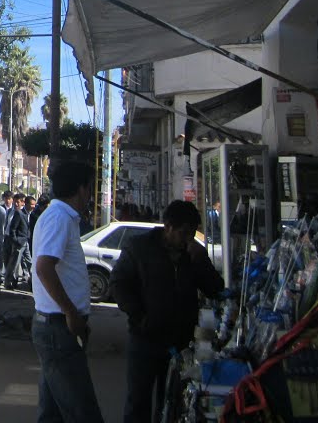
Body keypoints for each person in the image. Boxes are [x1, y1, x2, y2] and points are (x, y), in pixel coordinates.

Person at [110, 200, 225, 423]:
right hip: (145, 338)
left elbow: (214, 289)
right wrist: (140, 317)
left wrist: (202, 260)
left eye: (192, 233)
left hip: (180, 343)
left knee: (173, 400)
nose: (187, 238)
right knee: (138, 400)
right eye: (184, 232)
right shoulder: (140, 248)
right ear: (168, 227)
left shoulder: (191, 256)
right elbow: (119, 284)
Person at [31, 161, 104, 423]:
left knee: (52, 415)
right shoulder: (59, 217)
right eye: (90, 188)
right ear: (81, 189)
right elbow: (44, 267)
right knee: (84, 413)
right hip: (58, 329)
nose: (90, 196)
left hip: (57, 328)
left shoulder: (60, 217)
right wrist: (71, 313)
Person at [5, 193, 30, 289]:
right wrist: (15, 240)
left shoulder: (24, 212)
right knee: (12, 262)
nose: (16, 204)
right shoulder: (13, 212)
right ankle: (9, 281)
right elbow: (11, 228)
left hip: (22, 240)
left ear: (22, 203)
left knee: (26, 261)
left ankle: (17, 280)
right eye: (15, 202)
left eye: (18, 202)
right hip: (12, 239)